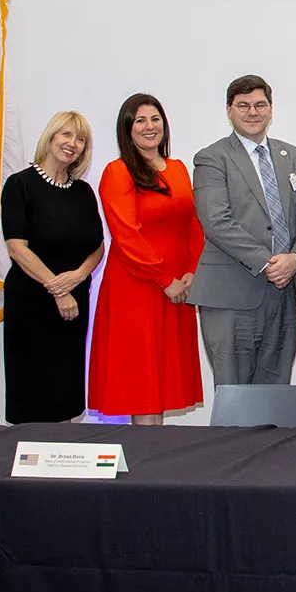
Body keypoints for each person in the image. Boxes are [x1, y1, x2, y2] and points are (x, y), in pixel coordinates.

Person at [191, 74, 296, 389]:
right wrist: (269, 261)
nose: (252, 112)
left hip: (286, 293)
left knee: (276, 390)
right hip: (231, 294)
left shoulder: (295, 157)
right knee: (235, 394)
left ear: (271, 110)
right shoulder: (212, 158)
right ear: (229, 111)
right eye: (243, 105)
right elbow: (216, 220)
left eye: (260, 104)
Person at [88, 95, 205, 424]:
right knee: (142, 381)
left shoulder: (179, 169)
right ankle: (145, 461)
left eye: (155, 119)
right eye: (140, 120)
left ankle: (155, 459)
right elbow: (126, 235)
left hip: (178, 288)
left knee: (164, 380)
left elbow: (194, 224)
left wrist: (191, 273)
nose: (149, 126)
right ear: (127, 128)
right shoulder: (118, 171)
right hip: (137, 287)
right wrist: (163, 279)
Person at [0, 112, 104, 423]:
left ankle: (63, 463)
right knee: (32, 394)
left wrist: (78, 276)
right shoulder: (19, 184)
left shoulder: (83, 192)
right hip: (31, 305)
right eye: (66, 135)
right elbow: (17, 248)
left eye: (80, 139)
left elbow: (98, 246)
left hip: (74, 307)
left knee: (66, 394)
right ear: (50, 137)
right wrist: (58, 289)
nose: (73, 144)